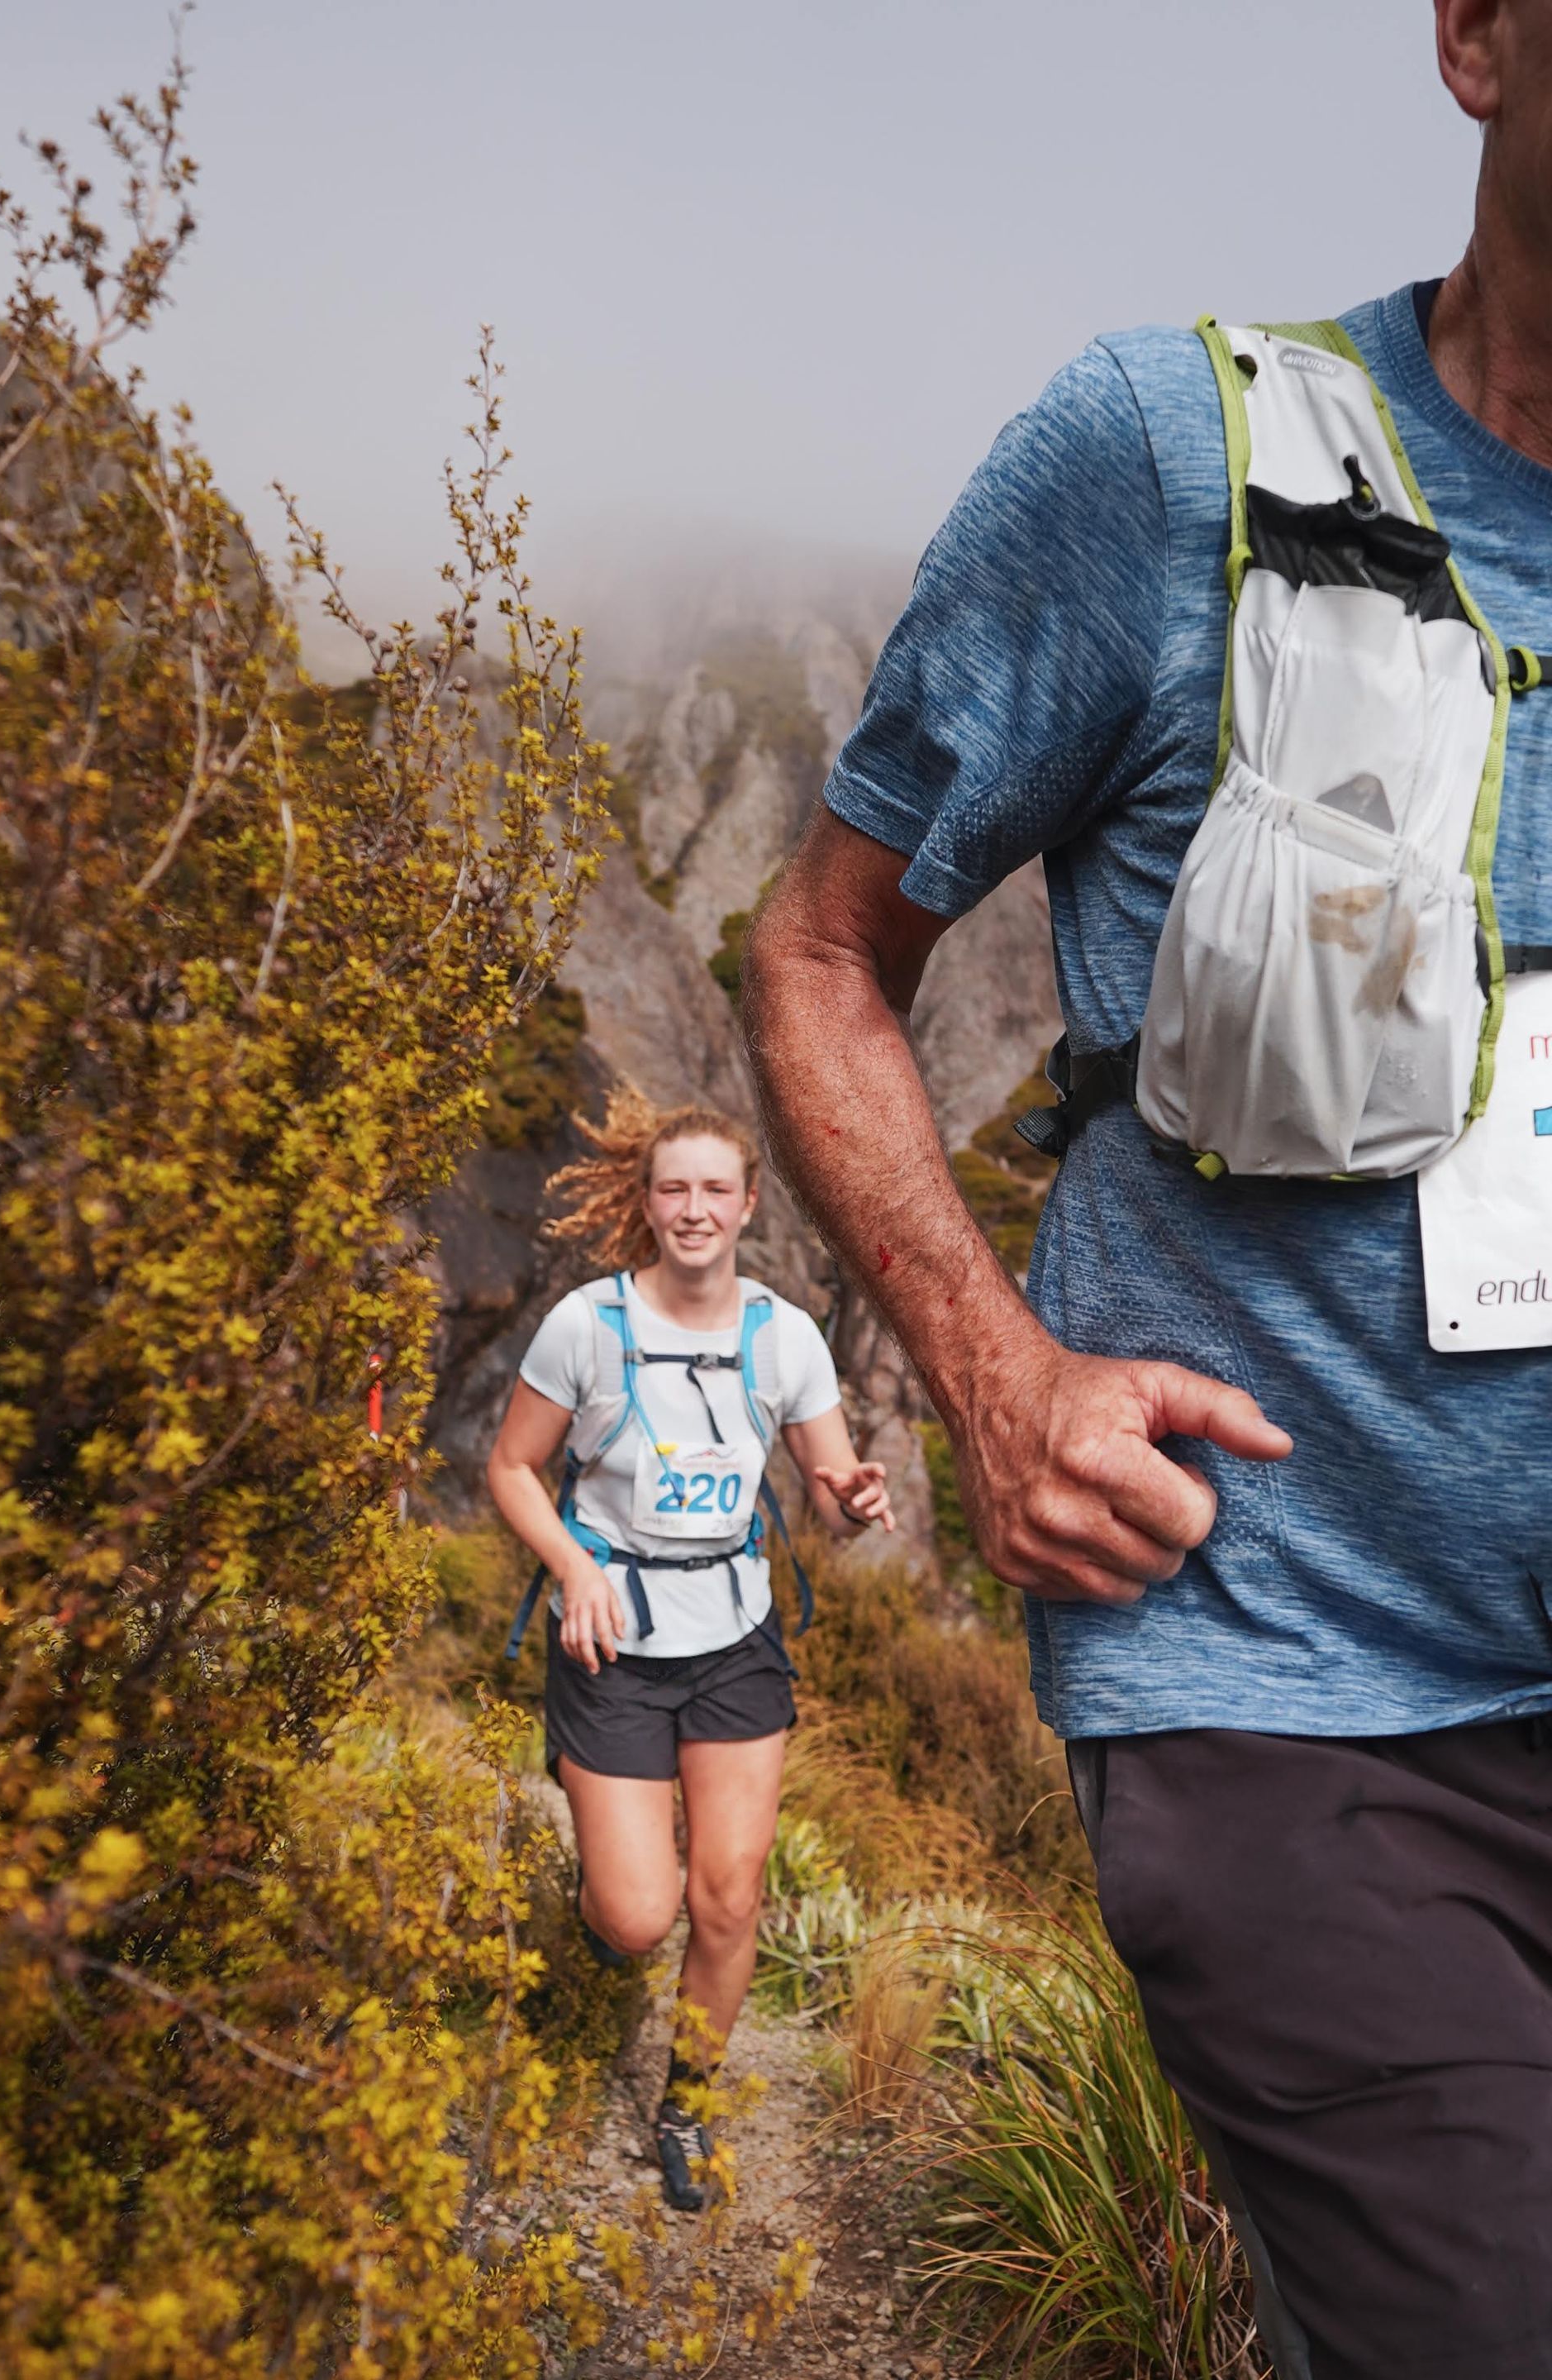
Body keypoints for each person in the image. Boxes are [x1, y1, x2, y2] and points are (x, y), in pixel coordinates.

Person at [743, 5, 1552, 2373]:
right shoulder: (1163, 462)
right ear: (1480, 37)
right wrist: (995, 1378)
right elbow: (816, 956)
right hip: (1294, 1683)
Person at [486, 1086, 894, 2213]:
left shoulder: (784, 1337)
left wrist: (854, 1499)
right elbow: (512, 1469)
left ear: (751, 1202)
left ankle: (689, 2106)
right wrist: (573, 1568)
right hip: (612, 1636)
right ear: (648, 1202)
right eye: (676, 1188)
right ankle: (605, 1880)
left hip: (735, 1638)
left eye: (718, 1188)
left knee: (729, 1898)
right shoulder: (589, 1325)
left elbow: (829, 1484)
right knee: (635, 1917)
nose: (696, 1209)